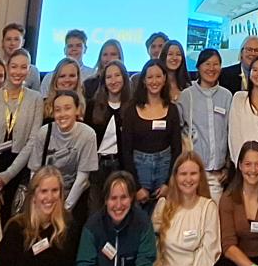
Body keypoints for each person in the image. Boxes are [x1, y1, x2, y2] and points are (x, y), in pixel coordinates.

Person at [0, 50, 44, 206]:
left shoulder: (36, 99)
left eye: (23, 67)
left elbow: (33, 139)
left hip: (18, 167)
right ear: (7, 67)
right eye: (14, 66)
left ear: (29, 70)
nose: (18, 72)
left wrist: (7, 176)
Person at [20, 90, 100, 216]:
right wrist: (38, 201)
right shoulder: (43, 133)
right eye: (58, 110)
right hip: (44, 194)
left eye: (67, 108)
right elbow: (34, 172)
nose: (62, 114)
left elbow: (82, 178)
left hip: (73, 196)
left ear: (77, 110)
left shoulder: (88, 135)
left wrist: (65, 208)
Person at [121, 60, 185, 209]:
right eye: (150, 77)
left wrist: (169, 183)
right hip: (139, 168)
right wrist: (136, 187)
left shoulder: (173, 110)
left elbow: (177, 148)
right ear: (143, 80)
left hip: (165, 167)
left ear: (164, 79)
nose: (154, 81)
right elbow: (126, 151)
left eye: (158, 76)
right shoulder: (131, 110)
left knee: (163, 218)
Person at [183, 49, 234, 198]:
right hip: (192, 172)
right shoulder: (187, 95)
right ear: (198, 67)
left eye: (215, 64)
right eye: (207, 64)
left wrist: (227, 166)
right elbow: (179, 129)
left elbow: (230, 131)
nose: (211, 68)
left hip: (217, 174)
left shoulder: (226, 95)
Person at [87, 59, 129, 180]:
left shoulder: (132, 108)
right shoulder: (92, 106)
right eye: (109, 77)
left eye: (117, 75)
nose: (113, 81)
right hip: (96, 166)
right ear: (104, 81)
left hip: (121, 167)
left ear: (124, 78)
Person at [41, 29, 90, 95]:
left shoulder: (92, 75)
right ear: (64, 50)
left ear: (85, 49)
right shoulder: (49, 77)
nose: (74, 49)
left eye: (78, 46)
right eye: (70, 46)